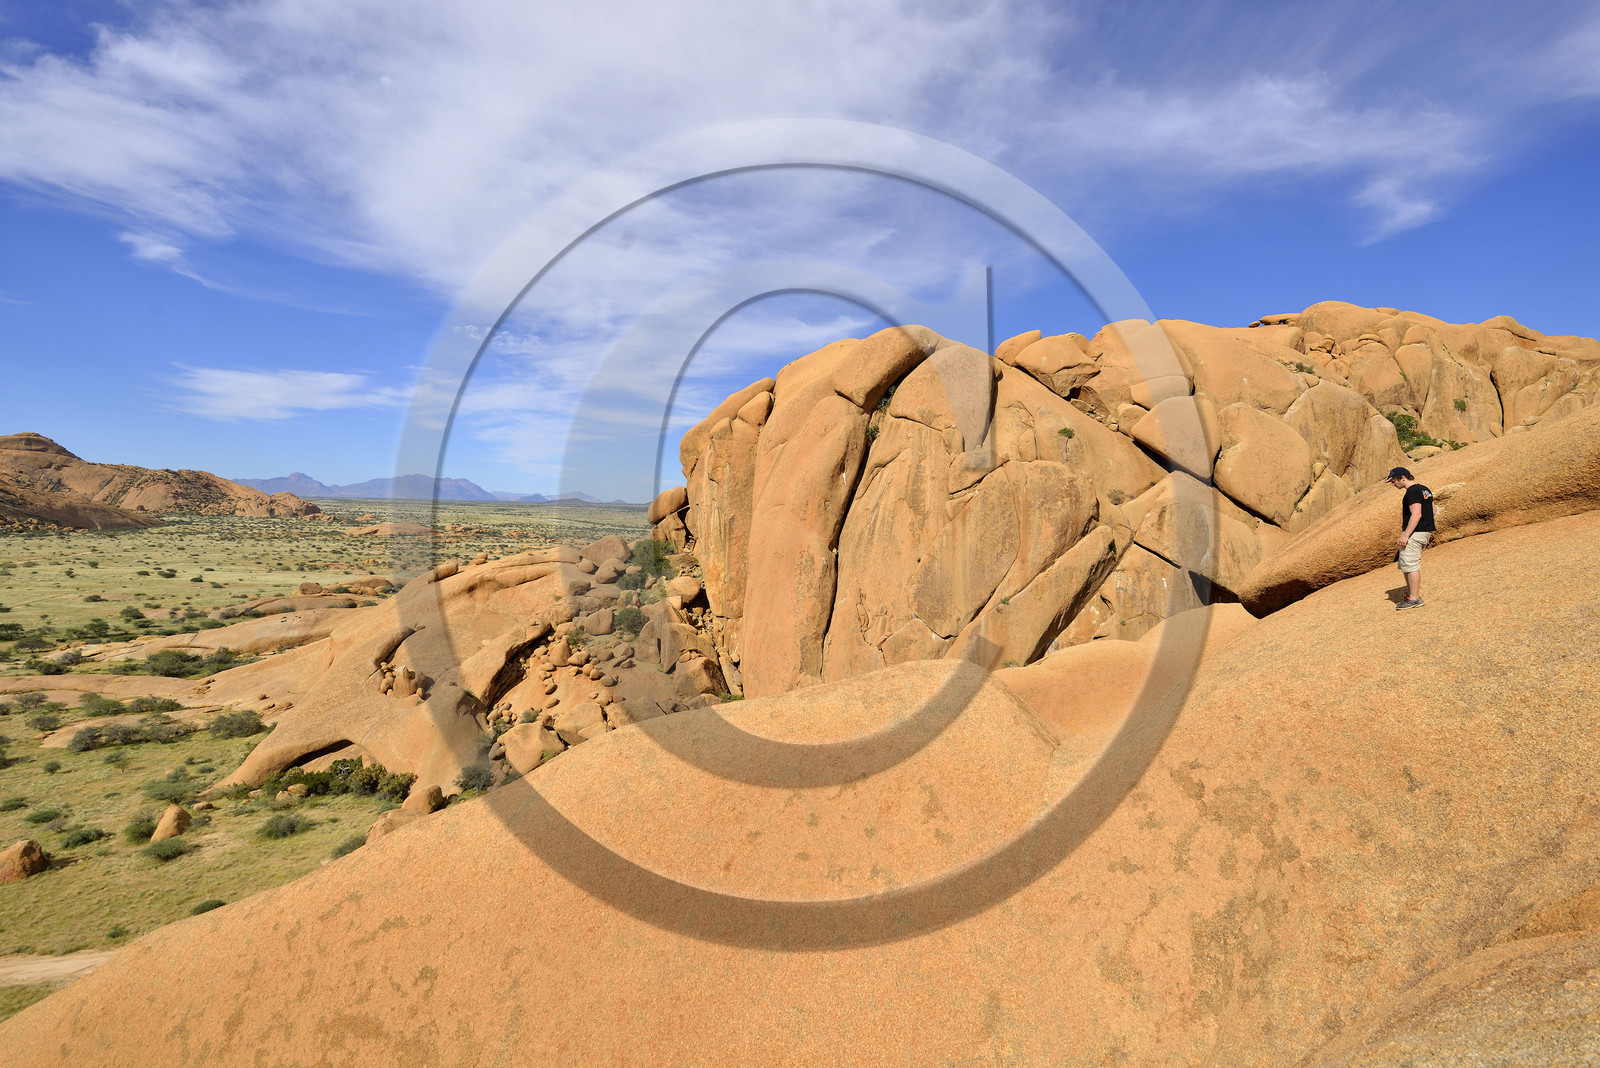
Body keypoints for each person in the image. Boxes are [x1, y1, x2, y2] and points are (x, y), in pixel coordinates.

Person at [1385, 467, 1435, 610]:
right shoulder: (1425, 489)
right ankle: (1411, 595)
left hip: (1414, 533)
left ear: (1403, 478)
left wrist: (1406, 535)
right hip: (1424, 531)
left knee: (1411, 565)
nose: (1392, 484)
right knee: (1407, 564)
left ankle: (1414, 599)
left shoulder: (1411, 491)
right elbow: (1433, 510)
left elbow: (1416, 514)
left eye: (1393, 481)